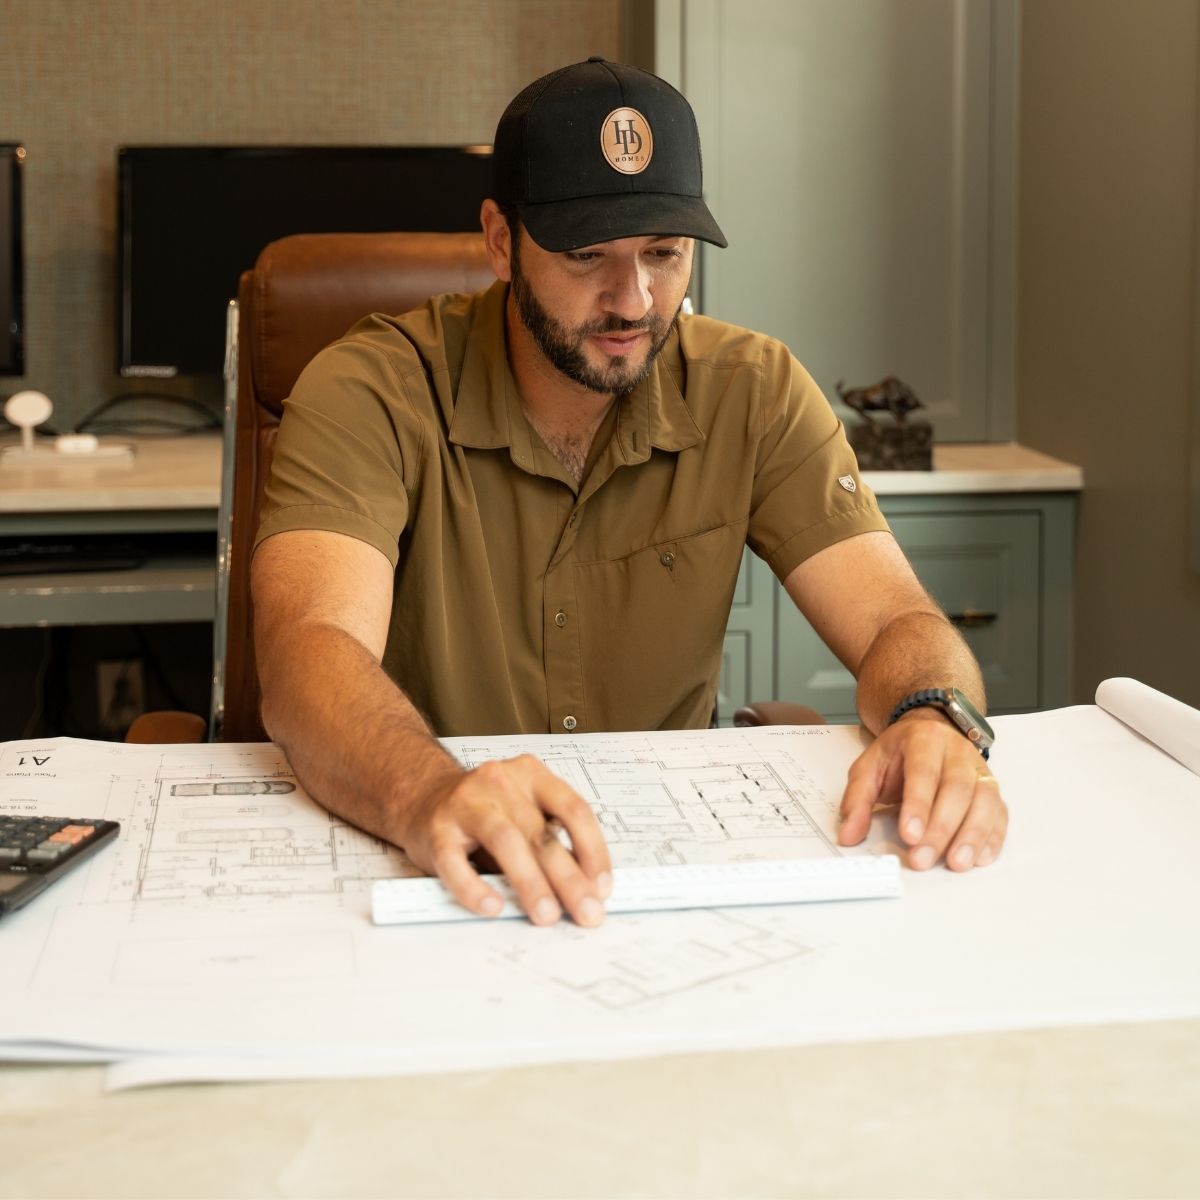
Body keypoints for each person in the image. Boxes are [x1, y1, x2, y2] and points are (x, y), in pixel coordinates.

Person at [251, 57, 1008, 928]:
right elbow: (308, 650)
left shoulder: (750, 389)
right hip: (434, 854)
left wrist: (934, 713)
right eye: (586, 256)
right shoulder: (373, 388)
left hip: (666, 870)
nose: (634, 300)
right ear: (501, 240)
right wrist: (428, 795)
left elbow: (895, 621)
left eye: (664, 252)